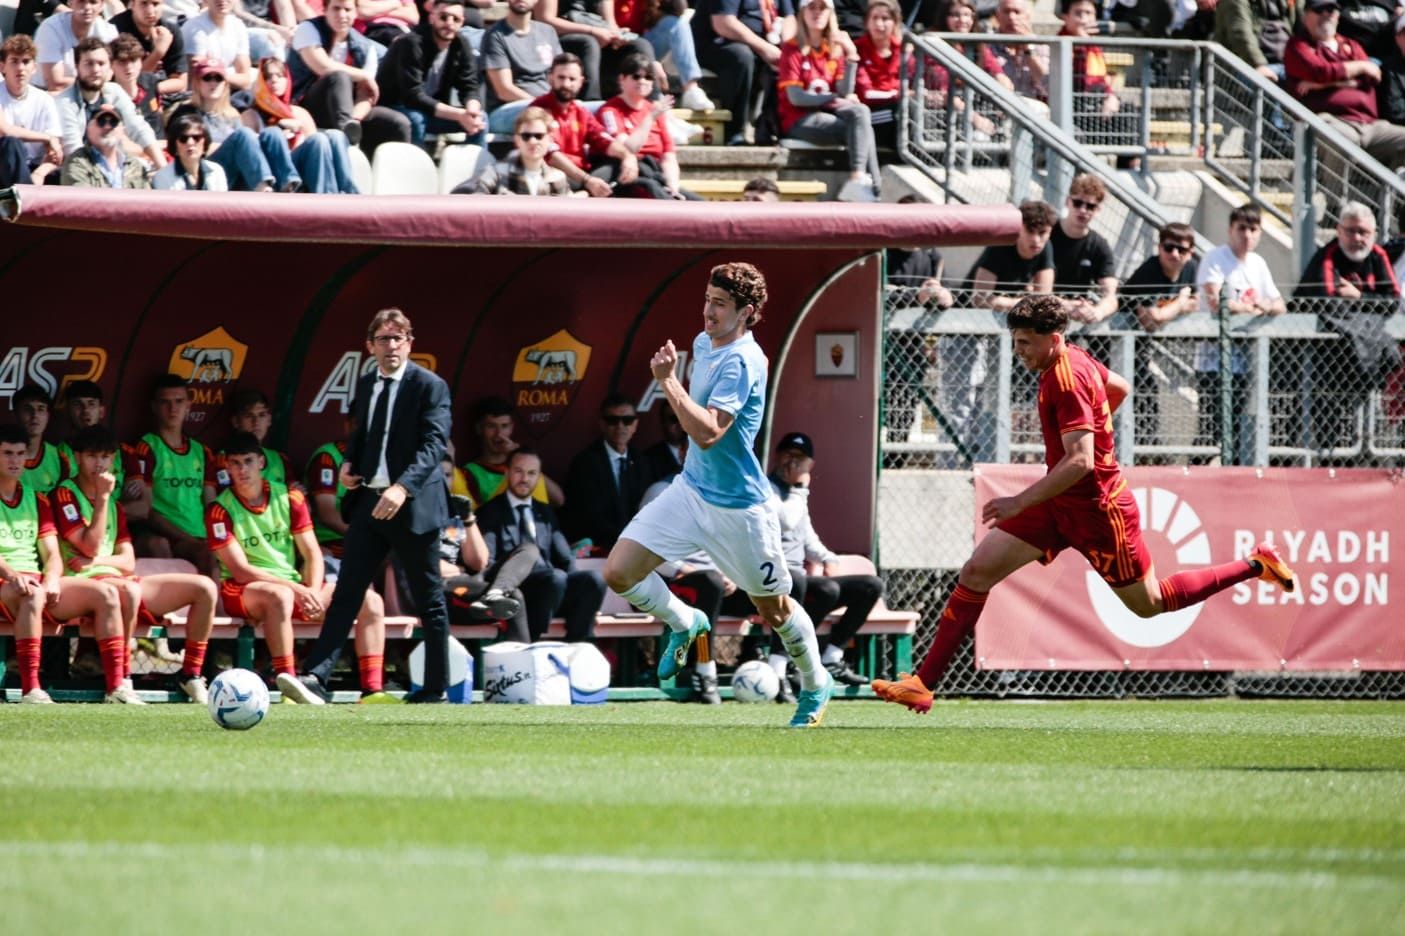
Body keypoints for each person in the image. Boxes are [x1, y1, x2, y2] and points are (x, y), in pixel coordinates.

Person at [871, 294, 1299, 713]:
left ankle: (1255, 565)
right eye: (1015, 340)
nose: (1018, 350)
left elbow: (1080, 461)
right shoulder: (1068, 359)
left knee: (1148, 605)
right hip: (1059, 502)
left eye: (1025, 342)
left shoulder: (1067, 379)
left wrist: (1019, 501)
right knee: (977, 571)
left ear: (1053, 339)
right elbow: (1120, 387)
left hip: (1099, 512)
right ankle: (922, 685)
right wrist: (1095, 424)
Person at [603, 261, 837, 727]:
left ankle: (815, 683)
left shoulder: (744, 361)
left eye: (721, 304)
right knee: (619, 572)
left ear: (747, 312)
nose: (708, 311)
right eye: (708, 299)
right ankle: (686, 622)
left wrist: (668, 381)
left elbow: (709, 432)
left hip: (740, 509)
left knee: (773, 610)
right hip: (690, 491)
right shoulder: (704, 343)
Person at [281, 308, 454, 705]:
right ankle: (316, 679)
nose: (391, 346)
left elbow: (434, 446)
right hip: (370, 502)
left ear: (410, 342)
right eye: (383, 339)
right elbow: (364, 432)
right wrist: (348, 465)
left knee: (429, 598)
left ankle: (434, 689)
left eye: (398, 338)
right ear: (369, 345)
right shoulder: (366, 383)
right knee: (347, 592)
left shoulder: (430, 386)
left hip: (411, 505)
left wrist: (403, 488)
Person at [209, 432, 394, 703]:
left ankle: (373, 690)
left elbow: (311, 552)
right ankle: (290, 685)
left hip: (292, 587)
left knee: (369, 600)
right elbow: (241, 571)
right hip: (243, 591)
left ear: (261, 462)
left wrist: (314, 591)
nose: (242, 469)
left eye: (248, 461)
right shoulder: (218, 509)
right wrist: (297, 588)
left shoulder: (290, 497)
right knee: (279, 596)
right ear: (227, 467)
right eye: (234, 463)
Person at [52, 425, 219, 703]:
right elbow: (90, 544)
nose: (100, 464)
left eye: (106, 457)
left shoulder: (114, 505)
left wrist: (99, 559)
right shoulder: (65, 494)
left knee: (204, 588)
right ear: (78, 457)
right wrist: (103, 498)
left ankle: (189, 675)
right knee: (125, 590)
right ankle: (120, 682)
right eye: (93, 456)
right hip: (81, 584)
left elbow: (128, 561)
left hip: (117, 579)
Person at [0, 424, 134, 705]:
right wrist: (12, 575)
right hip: (7, 582)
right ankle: (31, 690)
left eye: (20, 454)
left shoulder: (37, 499)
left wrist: (51, 578)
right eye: (7, 453)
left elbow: (52, 555)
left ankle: (117, 688)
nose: (15, 461)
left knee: (108, 594)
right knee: (32, 593)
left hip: (35, 582)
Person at [768, 431, 879, 686]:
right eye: (788, 455)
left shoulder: (798, 495)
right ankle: (791, 660)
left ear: (810, 465)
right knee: (823, 589)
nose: (792, 463)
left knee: (870, 586)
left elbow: (807, 538)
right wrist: (801, 488)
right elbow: (786, 521)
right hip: (771, 579)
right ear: (777, 456)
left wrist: (829, 559)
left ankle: (832, 656)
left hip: (799, 580)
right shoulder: (767, 489)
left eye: (799, 458)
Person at [1294, 201, 1402, 457]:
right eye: (1351, 231)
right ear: (1338, 231)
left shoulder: (1378, 255)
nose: (1357, 238)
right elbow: (1328, 302)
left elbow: (1392, 302)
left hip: (1365, 363)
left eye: (1363, 232)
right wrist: (1369, 304)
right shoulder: (1327, 255)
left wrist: (1359, 297)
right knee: (1318, 427)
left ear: (1374, 234)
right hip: (1322, 362)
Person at [477, 448, 607, 641]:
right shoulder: (489, 512)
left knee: (594, 580)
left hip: (553, 589)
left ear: (539, 477)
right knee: (556, 578)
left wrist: (584, 597)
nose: (524, 479)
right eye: (519, 471)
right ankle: (535, 640)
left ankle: (577, 643)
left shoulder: (544, 512)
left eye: (531, 473)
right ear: (507, 472)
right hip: (519, 590)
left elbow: (565, 559)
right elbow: (489, 564)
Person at [1194, 203, 1285, 462]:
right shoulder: (1215, 258)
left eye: (1253, 229)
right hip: (1214, 363)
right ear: (1230, 230)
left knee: (1238, 429)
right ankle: (1197, 471)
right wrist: (1254, 308)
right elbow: (1215, 301)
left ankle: (1230, 474)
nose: (1247, 235)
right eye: (1242, 228)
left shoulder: (1258, 263)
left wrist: (1265, 306)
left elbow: (1279, 304)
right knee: (1212, 430)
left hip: (1247, 364)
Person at [417, 455, 530, 639]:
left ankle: (497, 590)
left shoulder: (456, 513)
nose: (443, 481)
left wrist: (468, 519)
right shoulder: (411, 513)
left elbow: (479, 562)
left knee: (528, 549)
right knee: (513, 598)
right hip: (438, 592)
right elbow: (421, 564)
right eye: (437, 476)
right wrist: (458, 569)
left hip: (468, 582)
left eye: (448, 475)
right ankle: (522, 665)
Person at [778, 0, 879, 203]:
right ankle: (874, 187)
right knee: (861, 128)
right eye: (812, 8)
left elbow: (846, 90)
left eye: (822, 8)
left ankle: (859, 179)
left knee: (861, 113)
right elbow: (796, 97)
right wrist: (833, 98)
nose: (817, 13)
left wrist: (851, 55)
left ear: (830, 14)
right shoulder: (792, 49)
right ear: (803, 13)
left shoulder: (834, 50)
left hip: (827, 114)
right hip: (798, 119)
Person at [1285, 0, 1405, 169]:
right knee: (1343, 140)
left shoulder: (1351, 45)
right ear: (1306, 16)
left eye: (1332, 9)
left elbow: (1372, 77)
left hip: (1370, 124)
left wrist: (1322, 85)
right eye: (1320, 9)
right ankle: (1335, 195)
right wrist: (1359, 69)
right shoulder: (1297, 45)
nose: (1327, 14)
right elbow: (1319, 71)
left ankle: (1393, 194)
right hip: (1331, 121)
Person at [127, 374, 218, 577]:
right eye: (165, 402)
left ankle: (214, 609)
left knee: (214, 552)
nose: (172, 408)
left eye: (178, 401)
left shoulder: (202, 452)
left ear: (189, 405)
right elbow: (147, 510)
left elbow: (211, 504)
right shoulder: (147, 447)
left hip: (199, 535)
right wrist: (186, 538)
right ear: (154, 407)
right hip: (168, 534)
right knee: (162, 546)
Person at [289, 0, 413, 149]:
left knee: (398, 123)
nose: (342, 15)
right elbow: (322, 66)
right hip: (308, 106)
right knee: (339, 77)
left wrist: (354, 118)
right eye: (336, 9)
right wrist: (363, 75)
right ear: (325, 10)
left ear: (355, 13)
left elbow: (366, 95)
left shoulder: (366, 48)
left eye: (347, 10)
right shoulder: (308, 29)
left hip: (348, 110)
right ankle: (348, 145)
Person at [1120, 221, 1199, 450]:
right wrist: (1180, 303)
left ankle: (1145, 450)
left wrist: (1174, 307)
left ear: (1190, 253)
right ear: (1159, 247)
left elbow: (1198, 302)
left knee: (1146, 394)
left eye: (1181, 250)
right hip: (1114, 344)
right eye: (1168, 247)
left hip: (1141, 346)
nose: (1174, 254)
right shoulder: (1150, 271)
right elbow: (1150, 320)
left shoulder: (1190, 269)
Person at [174, 56, 300, 191]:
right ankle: (262, 187)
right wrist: (234, 144)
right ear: (197, 83)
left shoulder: (232, 114)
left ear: (225, 83)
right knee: (244, 135)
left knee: (272, 133)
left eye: (218, 78)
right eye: (207, 78)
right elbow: (184, 147)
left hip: (236, 174)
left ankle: (288, 185)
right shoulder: (186, 112)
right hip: (205, 173)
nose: (213, 83)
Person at [376, 0, 486, 149]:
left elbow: (469, 85)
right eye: (443, 17)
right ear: (432, 18)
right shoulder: (411, 43)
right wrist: (458, 115)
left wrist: (472, 109)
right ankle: (418, 169)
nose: (449, 23)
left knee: (481, 118)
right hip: (395, 106)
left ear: (462, 23)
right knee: (416, 118)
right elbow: (413, 96)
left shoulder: (461, 44)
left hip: (430, 110)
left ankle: (477, 169)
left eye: (456, 19)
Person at [243, 56, 361, 194]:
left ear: (288, 81)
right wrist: (279, 133)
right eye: (268, 77)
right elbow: (251, 153)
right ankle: (325, 195)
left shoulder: (299, 113)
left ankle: (349, 192)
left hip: (304, 166)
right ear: (261, 82)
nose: (274, 80)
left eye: (280, 76)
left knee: (336, 136)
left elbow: (318, 151)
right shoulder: (250, 115)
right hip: (278, 172)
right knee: (318, 140)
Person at [596, 51, 700, 199]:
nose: (642, 81)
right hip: (627, 174)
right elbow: (629, 148)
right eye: (636, 76)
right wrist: (650, 118)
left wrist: (673, 186)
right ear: (622, 79)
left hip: (655, 173)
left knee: (696, 201)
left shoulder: (655, 111)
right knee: (653, 190)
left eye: (648, 77)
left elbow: (668, 156)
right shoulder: (610, 111)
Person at [691, 0, 797, 144]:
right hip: (718, 43)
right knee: (742, 56)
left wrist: (786, 48)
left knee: (793, 58)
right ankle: (735, 132)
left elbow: (789, 17)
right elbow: (723, 22)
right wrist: (764, 48)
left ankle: (773, 129)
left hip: (763, 44)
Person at [532, 51, 633, 196]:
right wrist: (587, 180)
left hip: (582, 175)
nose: (566, 84)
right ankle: (587, 194)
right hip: (556, 175)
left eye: (572, 79)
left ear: (581, 81)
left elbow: (603, 141)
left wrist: (627, 156)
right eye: (561, 78)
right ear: (551, 78)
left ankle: (584, 195)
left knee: (617, 164)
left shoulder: (581, 112)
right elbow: (551, 156)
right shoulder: (538, 110)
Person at [563, 392, 653, 553]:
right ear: (602, 424)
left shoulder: (642, 462)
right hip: (599, 548)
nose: (620, 426)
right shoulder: (585, 463)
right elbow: (588, 516)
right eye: (612, 420)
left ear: (635, 425)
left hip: (638, 547)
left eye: (627, 420)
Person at [55, 38, 166, 166]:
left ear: (109, 67)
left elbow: (139, 128)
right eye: (88, 63)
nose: (95, 69)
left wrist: (162, 167)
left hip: (115, 164)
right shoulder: (65, 102)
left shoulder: (114, 92)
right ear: (76, 67)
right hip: (81, 170)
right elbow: (73, 150)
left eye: (101, 63)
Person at [536, 0, 657, 101]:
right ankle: (592, 103)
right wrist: (591, 31)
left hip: (599, 35)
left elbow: (610, 23)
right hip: (562, 37)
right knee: (589, 43)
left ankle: (654, 104)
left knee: (640, 45)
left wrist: (617, 35)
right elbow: (545, 19)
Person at [462, 395, 565, 506]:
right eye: (491, 426)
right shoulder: (470, 472)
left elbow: (559, 500)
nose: (499, 434)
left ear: (511, 428)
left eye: (504, 426)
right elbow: (476, 515)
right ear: (479, 429)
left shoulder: (526, 462)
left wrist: (518, 458)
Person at [615, 0, 716, 112]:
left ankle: (691, 89)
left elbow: (679, 8)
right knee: (642, 45)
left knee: (676, 23)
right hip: (618, 47)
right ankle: (657, 102)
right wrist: (652, 61)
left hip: (645, 43)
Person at [481, 0, 564, 135]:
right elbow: (504, 90)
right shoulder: (495, 35)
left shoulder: (547, 31)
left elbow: (560, 74)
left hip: (549, 105)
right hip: (510, 108)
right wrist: (542, 105)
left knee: (596, 109)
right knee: (551, 118)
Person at [1051, 174, 1119, 324]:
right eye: (1077, 203)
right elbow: (1032, 289)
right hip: (1045, 313)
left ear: (1098, 209)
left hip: (1079, 314)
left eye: (1090, 206)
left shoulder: (1099, 245)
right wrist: (1063, 304)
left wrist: (1098, 312)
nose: (1083, 210)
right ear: (1067, 202)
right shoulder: (1046, 235)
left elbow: (1111, 296)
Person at [463, 104, 573, 194]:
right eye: (526, 136)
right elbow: (476, 212)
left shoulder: (558, 179)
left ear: (550, 139)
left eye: (539, 136)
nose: (532, 141)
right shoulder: (494, 173)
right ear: (517, 140)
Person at [0, 35, 64, 188]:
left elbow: (55, 150)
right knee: (11, 144)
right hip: (2, 168)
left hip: (34, 167)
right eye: (14, 61)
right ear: (2, 67)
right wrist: (46, 137)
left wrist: (39, 173)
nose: (21, 68)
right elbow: (5, 130)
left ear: (34, 68)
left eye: (26, 62)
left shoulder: (44, 100)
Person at [210, 388, 297, 491]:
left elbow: (295, 491)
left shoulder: (280, 459)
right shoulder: (223, 459)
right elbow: (227, 498)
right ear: (236, 422)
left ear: (269, 419)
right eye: (249, 416)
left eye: (261, 415)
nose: (256, 422)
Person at [33, 0, 119, 92]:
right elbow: (55, 83)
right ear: (70, 3)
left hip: (95, 92)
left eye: (93, 2)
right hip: (47, 92)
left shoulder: (109, 31)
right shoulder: (50, 28)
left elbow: (113, 72)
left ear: (102, 6)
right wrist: (93, 81)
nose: (87, 7)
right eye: (81, 1)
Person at [61, 102, 154, 187]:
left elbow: (147, 201)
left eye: (113, 122)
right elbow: (82, 200)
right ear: (88, 128)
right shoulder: (76, 162)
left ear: (123, 130)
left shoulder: (135, 165)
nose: (107, 127)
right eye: (101, 121)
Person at [111, 0, 189, 98]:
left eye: (155, 4)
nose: (150, 10)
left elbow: (180, 82)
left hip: (162, 95)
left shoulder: (170, 31)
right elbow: (128, 81)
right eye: (144, 3)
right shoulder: (116, 30)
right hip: (126, 97)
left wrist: (153, 90)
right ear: (133, 4)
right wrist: (158, 52)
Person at [181, 0, 256, 92]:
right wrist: (227, 76)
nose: (222, 1)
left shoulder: (238, 25)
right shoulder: (194, 27)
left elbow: (245, 80)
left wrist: (219, 73)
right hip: (202, 94)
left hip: (227, 87)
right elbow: (198, 77)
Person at [1216, 0, 1295, 83]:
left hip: (1284, 62)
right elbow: (1241, 34)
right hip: (1246, 66)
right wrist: (1259, 65)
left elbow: (1301, 22)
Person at [11, 384, 68, 494]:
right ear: (15, 414)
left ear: (48, 416)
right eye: (27, 409)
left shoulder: (60, 459)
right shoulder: (3, 456)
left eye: (40, 409)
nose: (34, 415)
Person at [110, 34, 165, 143]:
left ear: (141, 61)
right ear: (111, 64)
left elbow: (159, 115)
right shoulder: (109, 94)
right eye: (122, 62)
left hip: (161, 145)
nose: (129, 67)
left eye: (133, 60)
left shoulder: (151, 81)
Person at [155, 112, 229, 189]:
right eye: (183, 139)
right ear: (174, 145)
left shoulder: (216, 171)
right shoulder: (163, 176)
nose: (190, 143)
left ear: (205, 142)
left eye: (196, 138)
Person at [641, 404, 686, 479]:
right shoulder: (647, 459)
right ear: (663, 422)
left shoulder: (702, 454)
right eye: (674, 419)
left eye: (684, 419)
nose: (681, 424)